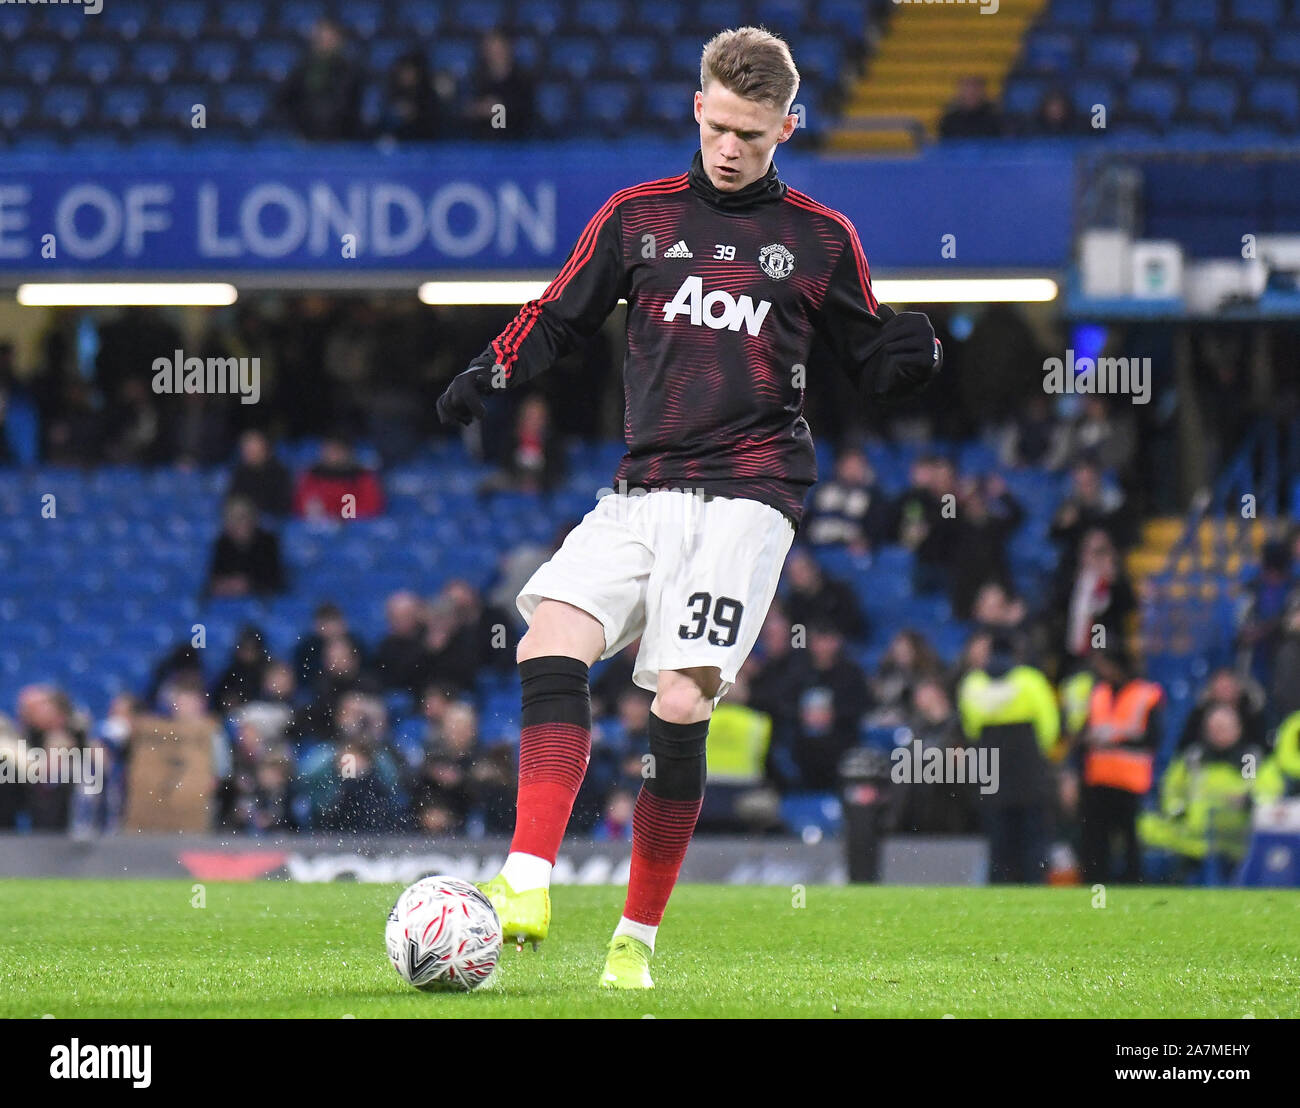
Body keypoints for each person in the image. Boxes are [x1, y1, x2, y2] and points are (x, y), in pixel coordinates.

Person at [436, 26, 941, 989]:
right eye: (721, 126)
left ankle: (635, 942)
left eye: (755, 134)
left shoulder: (820, 240)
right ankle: (527, 879)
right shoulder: (638, 217)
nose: (732, 148)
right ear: (697, 108)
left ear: (788, 127)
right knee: (548, 639)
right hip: (645, 485)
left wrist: (915, 359)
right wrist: (488, 369)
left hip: (751, 496)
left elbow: (870, 355)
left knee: (677, 699)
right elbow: (561, 313)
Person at [957, 634, 1061, 883]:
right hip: (1028, 765)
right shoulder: (1030, 680)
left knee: (998, 839)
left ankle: (1000, 888)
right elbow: (1049, 725)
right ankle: (1034, 885)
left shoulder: (973, 683)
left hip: (991, 763)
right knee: (1033, 837)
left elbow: (970, 727)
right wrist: (1040, 754)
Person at [1073, 649, 1162, 885]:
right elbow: (1083, 732)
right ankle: (1093, 882)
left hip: (1129, 781)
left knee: (1129, 839)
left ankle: (1132, 883)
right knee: (1095, 838)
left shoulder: (1146, 694)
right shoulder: (1098, 692)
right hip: (1098, 779)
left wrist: (1115, 737)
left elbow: (1153, 738)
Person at [277, 18, 363, 141]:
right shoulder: (302, 67)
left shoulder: (349, 69)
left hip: (340, 135)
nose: (324, 42)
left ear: (339, 40)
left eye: (329, 38)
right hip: (304, 134)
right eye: (320, 37)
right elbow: (284, 99)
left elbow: (346, 103)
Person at [206, 496, 286, 597]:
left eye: (241, 518)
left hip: (261, 600)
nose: (236, 524)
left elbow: (274, 580)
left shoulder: (267, 542)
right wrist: (226, 585)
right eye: (231, 519)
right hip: (228, 602)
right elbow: (214, 580)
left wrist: (248, 584)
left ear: (253, 519)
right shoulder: (222, 544)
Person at [463, 31, 537, 139]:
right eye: (491, 48)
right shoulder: (475, 79)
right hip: (480, 143)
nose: (495, 53)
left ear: (508, 49)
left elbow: (526, 111)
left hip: (515, 143)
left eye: (499, 48)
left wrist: (500, 108)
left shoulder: (523, 79)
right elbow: (464, 109)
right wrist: (478, 110)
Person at [226, 429, 293, 519]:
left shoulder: (279, 473)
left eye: (252, 449)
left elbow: (282, 506)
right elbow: (233, 501)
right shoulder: (239, 473)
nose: (248, 453)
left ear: (264, 449)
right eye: (246, 449)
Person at [938, 75, 1003, 139]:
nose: (971, 93)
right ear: (960, 93)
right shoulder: (949, 120)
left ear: (982, 92)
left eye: (975, 90)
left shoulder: (995, 119)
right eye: (967, 90)